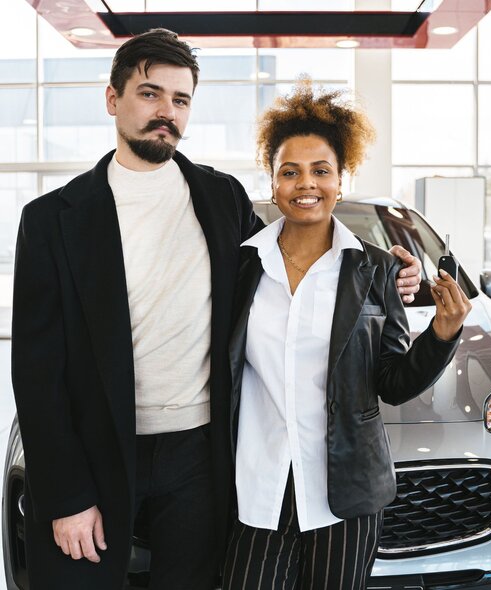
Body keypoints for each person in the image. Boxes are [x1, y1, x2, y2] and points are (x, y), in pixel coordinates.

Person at [11, 30, 422, 590]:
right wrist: (67, 495)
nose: (166, 112)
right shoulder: (51, 219)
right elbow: (37, 373)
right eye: (150, 94)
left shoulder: (221, 199)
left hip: (199, 457)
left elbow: (299, 253)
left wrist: (387, 270)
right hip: (99, 449)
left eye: (180, 100)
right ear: (113, 99)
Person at [222, 82, 472, 590]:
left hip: (346, 494)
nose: (305, 184)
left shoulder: (376, 271)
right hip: (257, 485)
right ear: (273, 183)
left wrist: (441, 336)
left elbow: (393, 381)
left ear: (341, 179)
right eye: (289, 172)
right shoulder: (241, 267)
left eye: (320, 171)